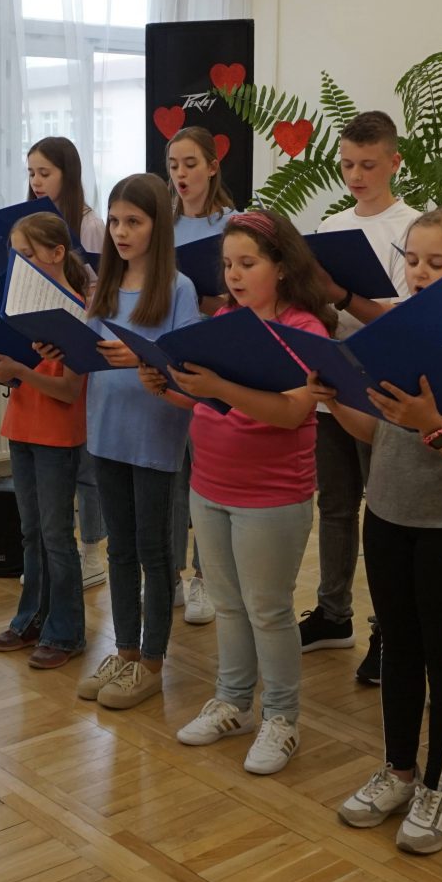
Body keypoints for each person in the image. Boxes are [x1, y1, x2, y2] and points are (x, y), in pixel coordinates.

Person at [322, 206, 442, 855]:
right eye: (412, 260)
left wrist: (432, 423)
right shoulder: (397, 331)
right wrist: (335, 397)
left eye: (438, 262)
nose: (421, 272)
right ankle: (399, 771)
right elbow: (382, 433)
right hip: (388, 513)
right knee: (397, 649)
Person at [153, 211, 330, 775]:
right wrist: (169, 387)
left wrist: (219, 386)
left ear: (282, 267)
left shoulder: (305, 329)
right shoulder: (226, 319)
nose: (233, 274)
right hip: (210, 484)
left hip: (272, 495)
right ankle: (232, 701)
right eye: (228, 264)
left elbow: (292, 412)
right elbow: (209, 401)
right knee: (227, 604)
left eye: (247, 263)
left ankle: (281, 718)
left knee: (268, 610)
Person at [302, 110, 418, 685]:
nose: (355, 176)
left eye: (368, 165)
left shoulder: (413, 229)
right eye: (347, 164)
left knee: (385, 510)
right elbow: (321, 304)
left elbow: (404, 324)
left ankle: (387, 629)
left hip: (384, 385)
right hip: (334, 381)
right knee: (335, 503)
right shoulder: (332, 225)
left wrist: (343, 296)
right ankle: (332, 613)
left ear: (394, 162)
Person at [78, 173, 200, 710]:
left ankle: (152, 662)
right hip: (105, 430)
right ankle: (125, 651)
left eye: (134, 221)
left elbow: (188, 368)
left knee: (154, 550)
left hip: (153, 434)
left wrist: (142, 358)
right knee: (120, 548)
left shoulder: (178, 288)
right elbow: (89, 353)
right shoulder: (104, 286)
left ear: (158, 226)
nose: (121, 232)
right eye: (114, 221)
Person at [0, 213, 91, 669]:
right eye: (15, 255)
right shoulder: (20, 304)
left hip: (57, 434)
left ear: (57, 253)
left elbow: (69, 390)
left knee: (56, 535)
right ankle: (31, 618)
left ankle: (66, 632)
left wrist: (20, 371)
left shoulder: (77, 310)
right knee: (31, 532)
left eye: (27, 254)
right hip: (23, 426)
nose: (19, 263)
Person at [25, 137, 110, 589]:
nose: (36, 181)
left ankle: (92, 549)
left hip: (80, 338)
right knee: (56, 460)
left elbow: (100, 286)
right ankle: (55, 553)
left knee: (86, 459)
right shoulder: (31, 222)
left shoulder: (89, 224)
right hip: (43, 341)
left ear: (68, 174)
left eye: (45, 173)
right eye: (31, 173)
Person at [166, 126, 236, 623]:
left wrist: (209, 302)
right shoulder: (162, 226)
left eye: (190, 164)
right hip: (172, 354)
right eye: (173, 166)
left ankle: (205, 578)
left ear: (212, 167)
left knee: (207, 474)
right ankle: (168, 573)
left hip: (216, 358)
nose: (181, 174)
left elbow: (246, 298)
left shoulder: (235, 224)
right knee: (171, 471)